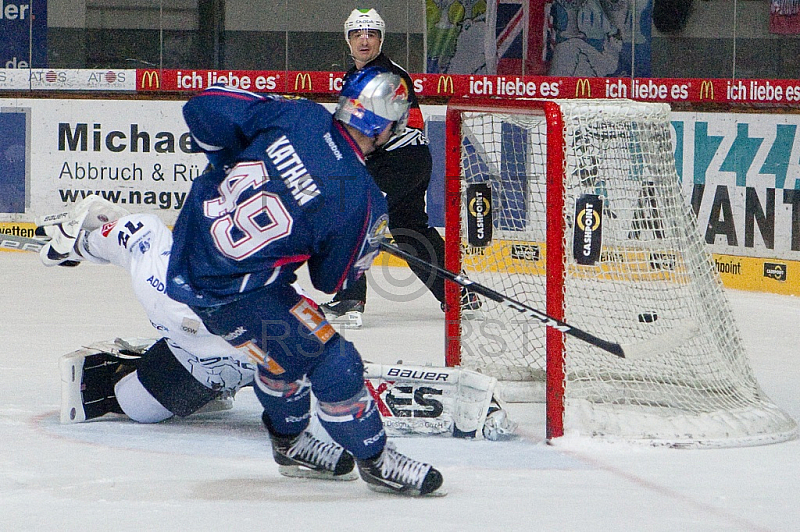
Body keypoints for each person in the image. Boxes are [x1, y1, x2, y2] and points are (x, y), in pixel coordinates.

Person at [164, 68, 444, 496]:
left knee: (283, 355)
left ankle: (290, 443)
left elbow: (202, 109)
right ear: (387, 125)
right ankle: (377, 460)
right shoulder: (363, 197)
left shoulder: (301, 116)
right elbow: (332, 280)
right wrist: (363, 244)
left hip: (193, 249)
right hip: (233, 293)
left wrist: (227, 160)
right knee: (334, 361)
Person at [320, 8, 480, 325]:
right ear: (348, 40)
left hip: (397, 162)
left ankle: (351, 299)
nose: (364, 40)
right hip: (410, 161)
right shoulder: (365, 73)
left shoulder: (383, 75)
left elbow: (371, 134)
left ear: (381, 39)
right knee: (409, 229)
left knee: (350, 216)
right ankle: (457, 293)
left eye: (371, 34)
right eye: (357, 35)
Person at [37, 195, 256, 424]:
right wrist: (81, 244)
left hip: (257, 364)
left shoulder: (277, 315)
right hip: (197, 358)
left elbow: (142, 233)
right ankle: (150, 361)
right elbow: (140, 233)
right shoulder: (168, 289)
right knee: (136, 405)